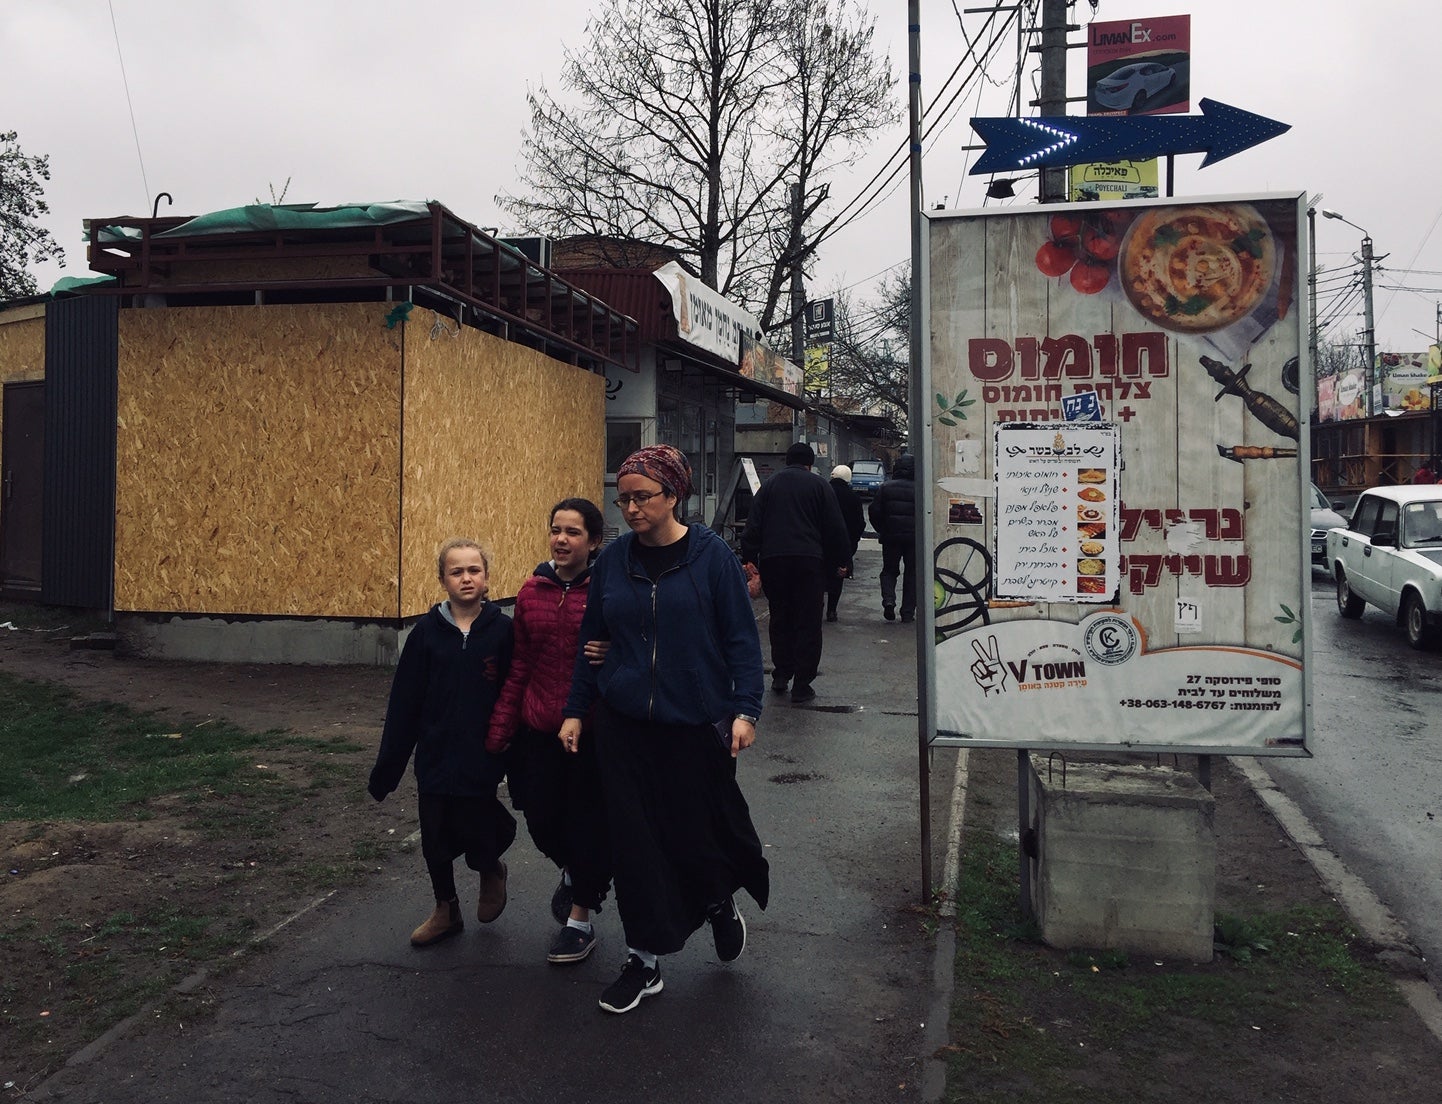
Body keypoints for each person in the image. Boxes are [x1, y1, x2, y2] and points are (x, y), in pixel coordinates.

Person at [559, 444, 769, 1015]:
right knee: (635, 844)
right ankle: (643, 960)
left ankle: (718, 902)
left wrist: (746, 711)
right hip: (625, 725)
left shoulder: (712, 559)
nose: (630, 508)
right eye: (623, 498)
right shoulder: (613, 561)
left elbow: (741, 643)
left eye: (643, 497)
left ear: (674, 495)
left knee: (694, 837)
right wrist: (578, 709)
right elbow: (591, 644)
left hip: (694, 724)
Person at [368, 538, 515, 947]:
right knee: (434, 833)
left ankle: (490, 868)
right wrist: (388, 769)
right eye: (457, 572)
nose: (466, 578)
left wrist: (517, 758)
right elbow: (404, 704)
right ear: (442, 580)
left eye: (474, 571)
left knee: (480, 822)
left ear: (486, 578)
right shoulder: (425, 635)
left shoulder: (503, 632)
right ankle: (445, 908)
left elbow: (516, 692)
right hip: (434, 753)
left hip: (483, 754)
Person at [486, 498, 611, 965]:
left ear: (594, 541)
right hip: (538, 728)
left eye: (573, 532)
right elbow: (519, 664)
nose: (561, 539)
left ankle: (579, 919)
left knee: (586, 823)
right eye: (556, 530)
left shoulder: (607, 591)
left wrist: (613, 648)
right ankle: (577, 872)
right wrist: (502, 726)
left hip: (591, 732)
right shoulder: (531, 591)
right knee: (539, 817)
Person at [739, 441, 850, 703]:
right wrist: (841, 561)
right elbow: (834, 527)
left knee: (780, 617)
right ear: (810, 463)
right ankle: (802, 683)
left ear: (787, 461)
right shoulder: (820, 486)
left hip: (774, 560)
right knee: (808, 621)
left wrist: (749, 557)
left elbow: (753, 524)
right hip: (809, 562)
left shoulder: (770, 486)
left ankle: (780, 674)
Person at [869, 453, 917, 622]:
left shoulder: (885, 487)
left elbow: (874, 512)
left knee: (889, 571)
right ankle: (908, 612)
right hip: (914, 539)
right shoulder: (921, 488)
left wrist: (883, 529)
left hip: (891, 537)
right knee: (912, 574)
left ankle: (889, 600)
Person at [826, 464, 866, 623]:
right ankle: (831, 610)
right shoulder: (853, 497)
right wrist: (852, 541)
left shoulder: (823, 491)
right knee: (838, 576)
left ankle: (817, 606)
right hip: (844, 543)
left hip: (821, 542)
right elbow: (859, 523)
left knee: (819, 575)